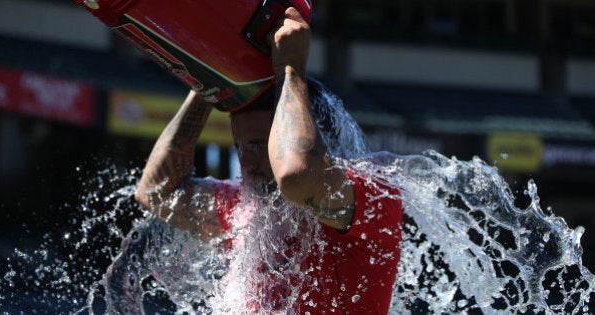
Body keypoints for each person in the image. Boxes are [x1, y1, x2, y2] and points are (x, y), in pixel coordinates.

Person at [135, 7, 403, 314]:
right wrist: (211, 82)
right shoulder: (249, 211)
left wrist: (290, 71)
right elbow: (157, 192)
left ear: (319, 139)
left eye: (262, 145)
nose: (247, 161)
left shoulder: (374, 198)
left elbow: (296, 176)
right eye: (241, 146)